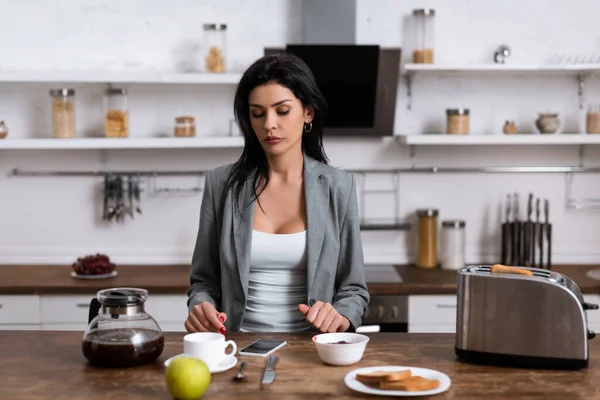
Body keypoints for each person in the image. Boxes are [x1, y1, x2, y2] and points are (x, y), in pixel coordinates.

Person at [185, 53, 369, 334]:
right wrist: (201, 306)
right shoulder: (220, 184)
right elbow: (203, 283)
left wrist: (341, 315)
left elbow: (353, 290)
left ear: (308, 112)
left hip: (313, 352)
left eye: (282, 111)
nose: (269, 123)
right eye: (257, 113)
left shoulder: (338, 187)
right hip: (236, 347)